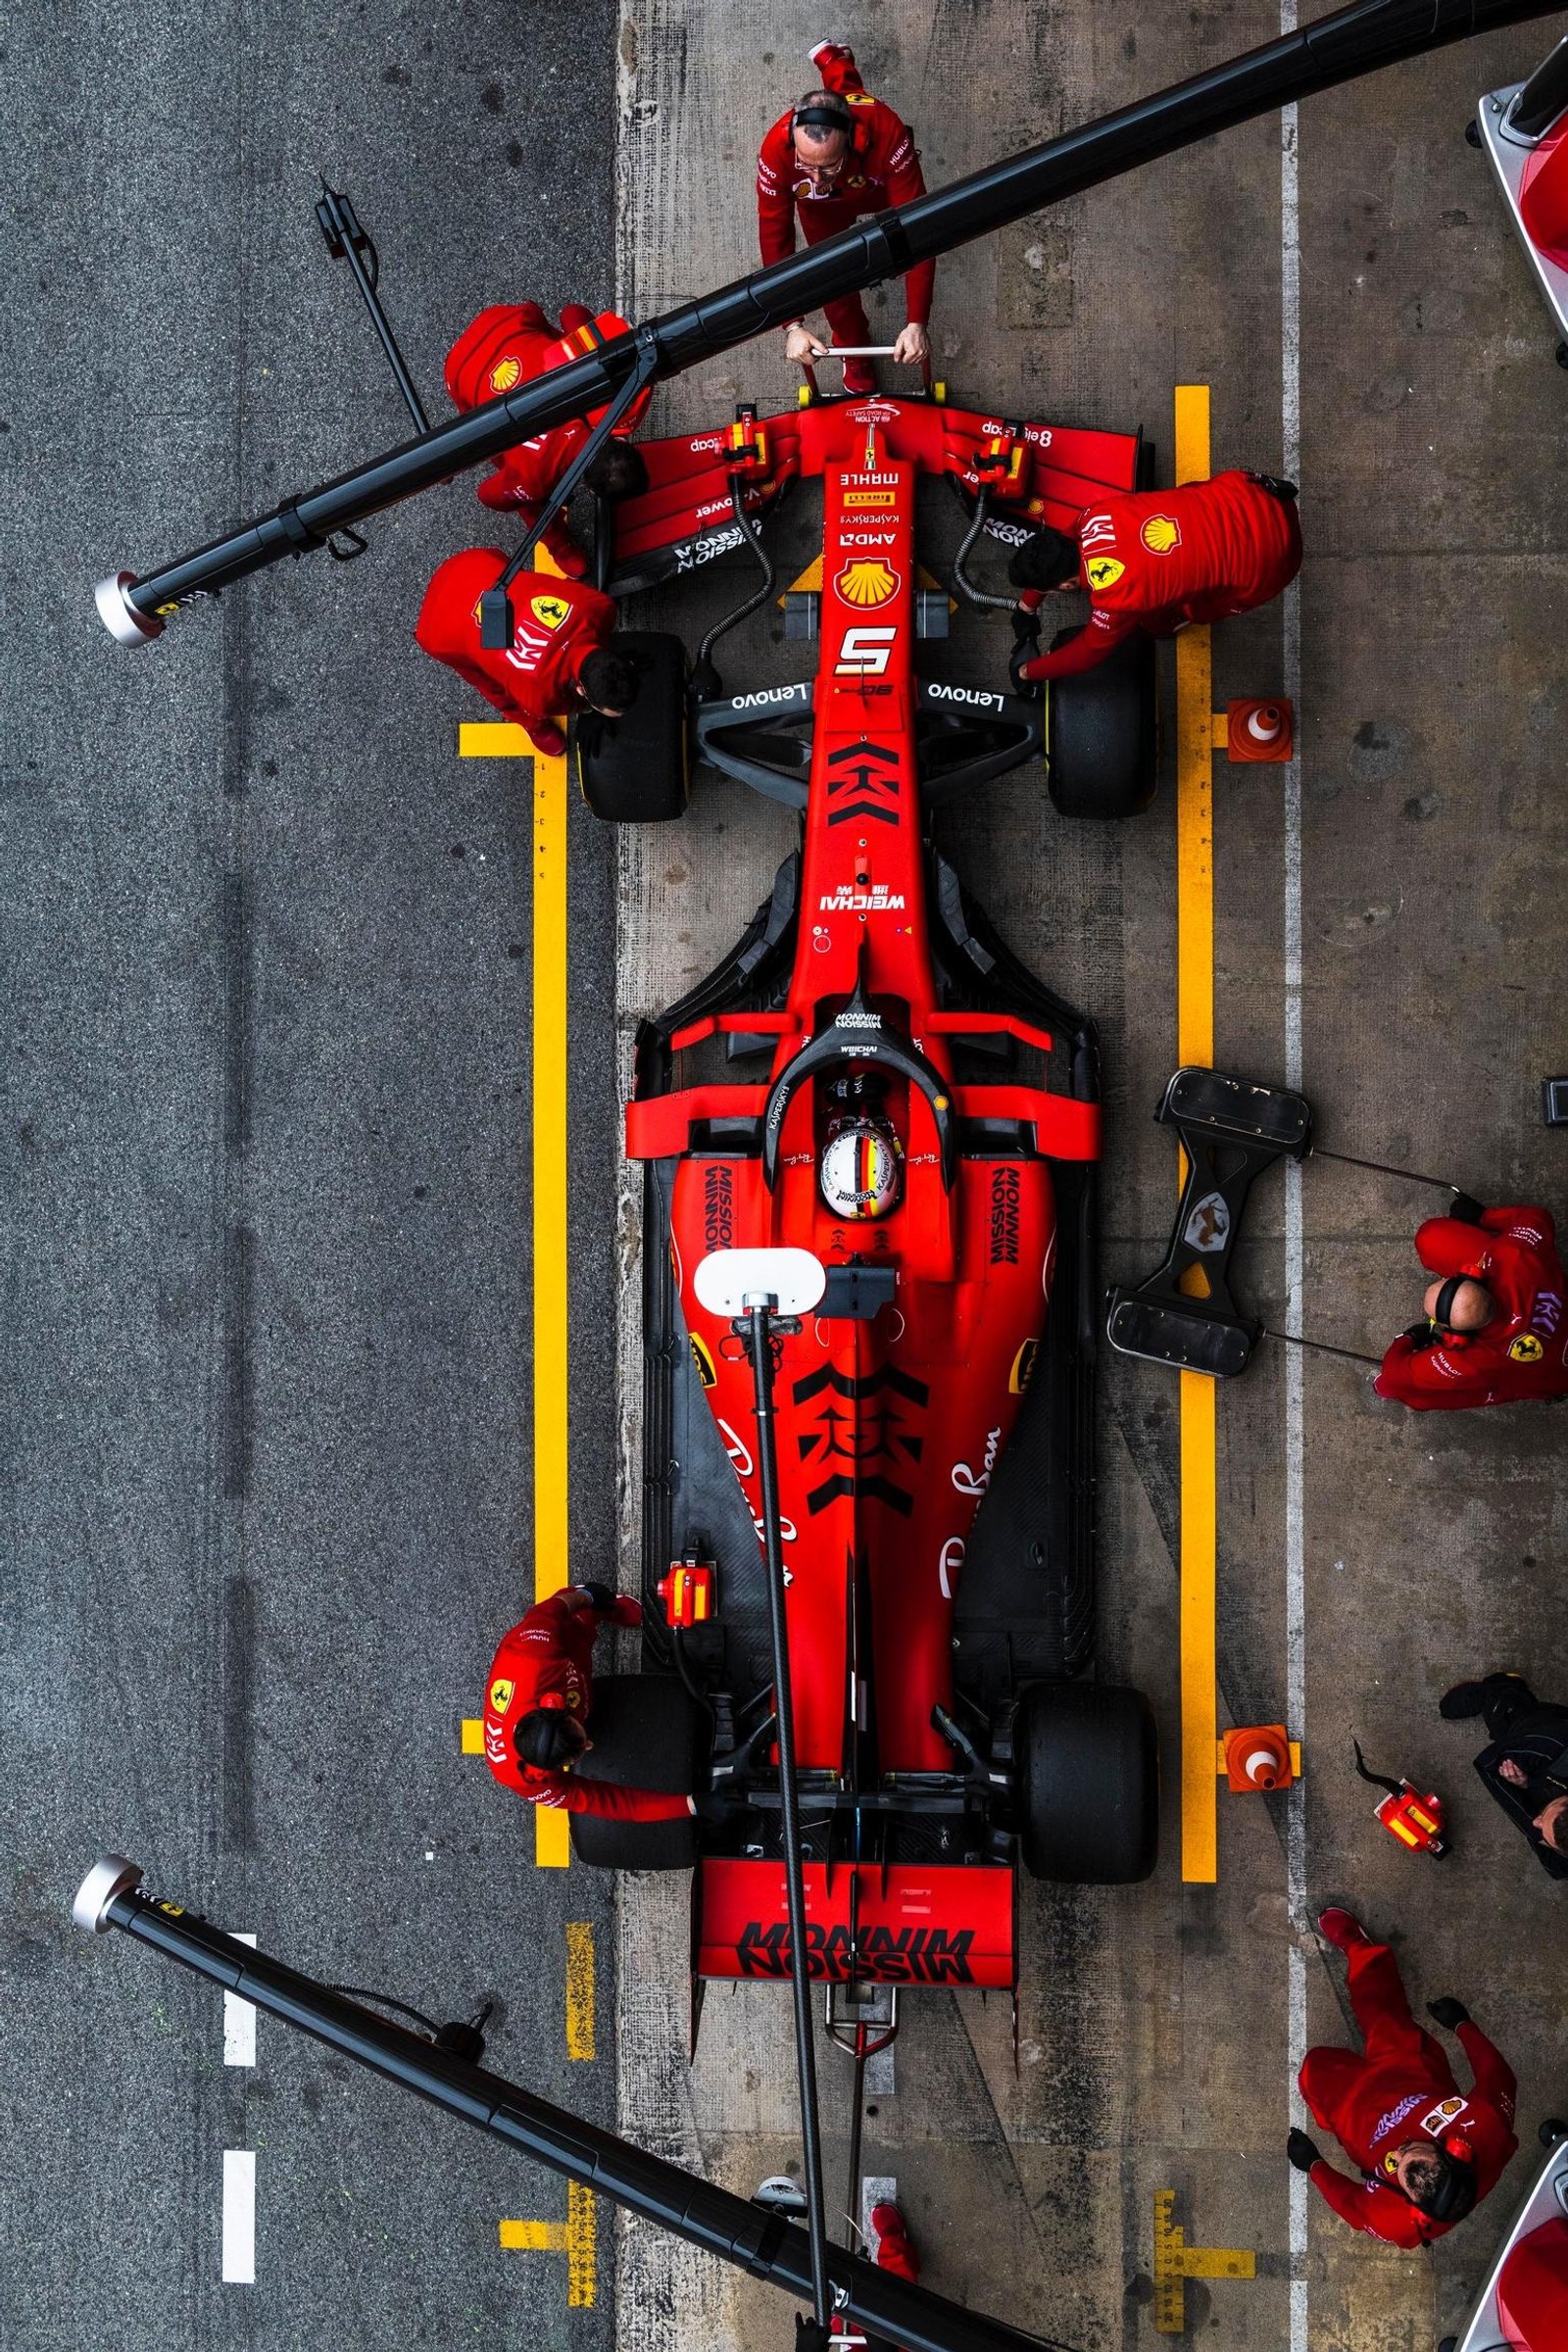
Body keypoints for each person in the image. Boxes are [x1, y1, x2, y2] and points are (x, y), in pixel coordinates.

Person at [1288, 1909, 1517, 2248]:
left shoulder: (1390, 2220)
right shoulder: (1487, 2128)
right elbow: (1498, 2078)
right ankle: (1358, 1945)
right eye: (1413, 2147)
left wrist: (1314, 2165)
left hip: (1361, 2124)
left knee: (1314, 2069)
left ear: (1409, 2202)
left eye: (1399, 2162)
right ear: (1453, 2150)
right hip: (1415, 2075)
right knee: (1382, 2008)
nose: (1400, 2147)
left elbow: (1352, 2206)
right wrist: (1463, 2026)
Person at [1006, 470, 1302, 684]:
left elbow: (1087, 653)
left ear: (1067, 585)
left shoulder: (1116, 600)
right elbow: (1064, 539)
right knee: (1190, 493)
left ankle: (1175, 621)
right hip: (1257, 491)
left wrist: (1029, 671)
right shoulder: (1097, 513)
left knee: (1160, 618)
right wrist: (1027, 605)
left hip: (1275, 559)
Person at [758, 42, 933, 396]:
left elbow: (919, 228)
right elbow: (775, 237)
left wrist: (916, 322)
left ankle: (836, 64)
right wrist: (791, 325)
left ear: (852, 138)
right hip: (821, 210)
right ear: (794, 140)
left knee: (850, 97)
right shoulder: (775, 151)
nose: (818, 178)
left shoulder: (885, 130)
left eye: (828, 166)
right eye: (806, 166)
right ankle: (854, 352)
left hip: (875, 188)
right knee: (832, 277)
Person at [443, 301, 650, 574]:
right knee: (528, 498)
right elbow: (487, 495)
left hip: (505, 320)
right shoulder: (534, 478)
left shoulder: (604, 390)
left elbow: (571, 312)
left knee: (572, 345)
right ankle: (560, 547)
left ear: (621, 440)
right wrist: (521, 483)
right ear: (589, 490)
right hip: (460, 369)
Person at [483, 1583, 700, 1823]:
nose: (589, 1746)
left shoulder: (533, 1656)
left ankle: (602, 1607)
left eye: (581, 1740)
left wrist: (586, 1597)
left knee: (578, 1622)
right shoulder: (526, 1780)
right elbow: (612, 1803)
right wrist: (692, 1805)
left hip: (545, 1650)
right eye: (578, 1751)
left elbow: (550, 1611)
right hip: (557, 1691)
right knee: (587, 1702)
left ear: (554, 1707)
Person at [414, 549, 638, 758]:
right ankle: (533, 726)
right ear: (580, 690)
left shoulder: (597, 606)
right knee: (492, 687)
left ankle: (561, 544)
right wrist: (586, 710)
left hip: (472, 564)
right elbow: (570, 703)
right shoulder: (539, 696)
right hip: (437, 628)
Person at [1374, 1200, 1568, 1409]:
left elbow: (1394, 1379)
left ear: (1457, 1336)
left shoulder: (1472, 1360)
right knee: (1432, 1238)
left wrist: (1407, 1339)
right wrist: (1485, 1217)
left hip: (1547, 1379)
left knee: (1418, 1398)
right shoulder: (1514, 1255)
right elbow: (1538, 1218)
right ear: (1472, 1277)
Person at [1440, 1671, 1568, 1880]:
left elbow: (1554, 1867)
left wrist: (1527, 1787)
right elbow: (1488, 1763)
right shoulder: (1557, 1745)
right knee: (1507, 1735)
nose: (1535, 1823)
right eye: (1543, 1817)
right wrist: (1535, 1829)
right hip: (1550, 1729)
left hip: (1549, 1780)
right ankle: (1502, 1691)